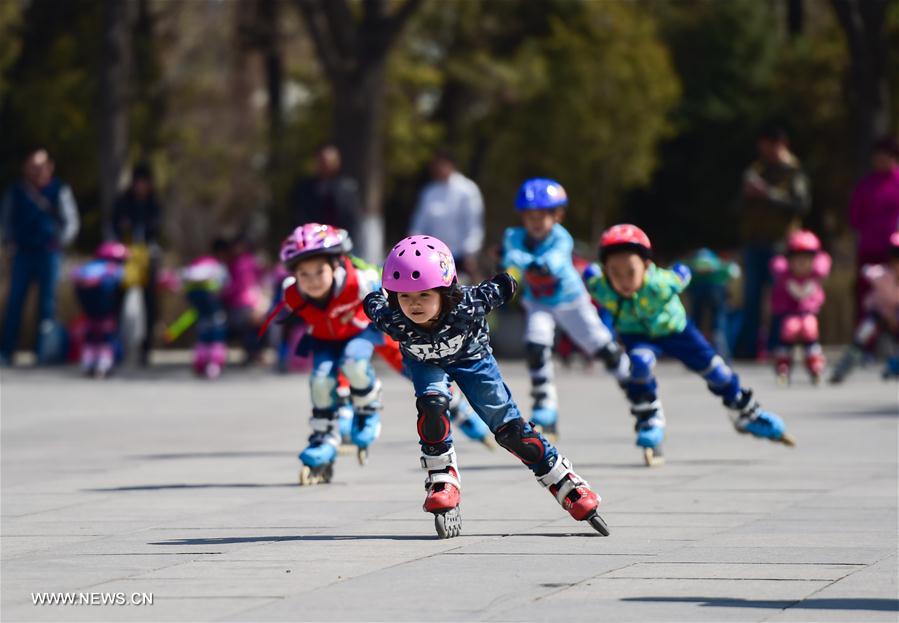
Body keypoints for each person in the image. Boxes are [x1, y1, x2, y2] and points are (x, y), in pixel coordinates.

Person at [363, 235, 609, 539]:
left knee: (512, 433)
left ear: (445, 290)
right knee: (432, 406)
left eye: (425, 295)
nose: (414, 305)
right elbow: (372, 302)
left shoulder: (467, 304)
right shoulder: (393, 318)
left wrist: (511, 272)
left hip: (474, 361)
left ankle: (566, 482)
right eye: (405, 297)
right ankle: (442, 478)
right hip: (426, 365)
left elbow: (504, 286)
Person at [586, 224, 795, 467]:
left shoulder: (661, 283)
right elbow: (588, 275)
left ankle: (744, 410)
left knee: (717, 371)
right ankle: (648, 416)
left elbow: (681, 274)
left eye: (630, 272)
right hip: (638, 336)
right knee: (640, 364)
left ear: (645, 265)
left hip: (677, 331)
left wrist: (684, 270)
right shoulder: (603, 288)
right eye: (615, 273)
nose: (623, 281)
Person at [500, 178, 629, 439]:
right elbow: (510, 257)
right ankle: (544, 402)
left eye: (542, 216)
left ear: (557, 215)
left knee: (601, 347)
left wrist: (530, 263)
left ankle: (634, 381)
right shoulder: (513, 236)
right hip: (539, 302)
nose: (535, 222)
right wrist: (520, 263)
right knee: (536, 345)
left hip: (571, 301)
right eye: (530, 216)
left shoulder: (561, 238)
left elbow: (553, 262)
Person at [267, 224, 385, 482]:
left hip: (358, 333)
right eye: (303, 274)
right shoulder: (292, 293)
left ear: (335, 265)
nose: (312, 281)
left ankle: (367, 406)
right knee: (320, 381)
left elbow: (390, 297)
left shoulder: (361, 281)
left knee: (354, 363)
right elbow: (274, 320)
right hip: (323, 340)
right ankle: (324, 436)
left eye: (319, 271)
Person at [734, 126, 811, 360]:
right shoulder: (757, 169)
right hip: (754, 242)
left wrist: (768, 193)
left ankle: (780, 346)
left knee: (781, 299)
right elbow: (737, 207)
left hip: (780, 244)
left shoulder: (793, 172)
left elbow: (801, 205)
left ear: (780, 144)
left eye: (768, 146)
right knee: (751, 297)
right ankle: (748, 349)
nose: (764, 151)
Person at [0, 149, 79, 364]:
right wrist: (8, 244)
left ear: (49, 167)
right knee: (15, 303)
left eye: (40, 166)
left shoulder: (59, 190)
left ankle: (45, 353)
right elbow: (6, 221)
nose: (36, 171)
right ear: (25, 168)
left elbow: (71, 222)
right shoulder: (16, 191)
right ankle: (6, 351)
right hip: (23, 253)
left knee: (47, 306)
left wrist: (60, 242)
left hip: (49, 254)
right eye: (32, 166)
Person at [831, 231, 899, 383]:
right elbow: (866, 270)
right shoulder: (882, 275)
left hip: (896, 317)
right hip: (878, 314)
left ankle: (894, 365)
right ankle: (844, 367)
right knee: (864, 332)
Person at [111, 163, 163, 364]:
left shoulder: (154, 204)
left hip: (147, 256)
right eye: (138, 182)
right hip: (124, 256)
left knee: (150, 302)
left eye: (145, 182)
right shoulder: (123, 202)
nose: (141, 186)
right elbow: (115, 226)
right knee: (117, 299)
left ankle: (146, 347)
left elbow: (157, 230)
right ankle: (115, 344)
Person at [408, 151, 484, 280]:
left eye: (442, 165)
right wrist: (413, 246)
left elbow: (473, 224)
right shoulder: (429, 191)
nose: (438, 169)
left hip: (460, 257)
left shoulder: (468, 190)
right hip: (431, 257)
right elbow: (419, 224)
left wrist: (470, 252)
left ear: (451, 165)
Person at [768, 230, 831, 384]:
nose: (802, 263)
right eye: (798, 259)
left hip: (807, 314)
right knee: (789, 329)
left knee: (810, 328)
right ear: (790, 260)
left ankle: (815, 363)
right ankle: (783, 365)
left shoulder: (813, 278)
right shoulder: (785, 277)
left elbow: (825, 261)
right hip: (789, 314)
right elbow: (775, 265)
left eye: (807, 259)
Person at [848, 136, 899, 323]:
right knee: (865, 295)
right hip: (869, 250)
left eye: (884, 156)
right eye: (876, 156)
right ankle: (864, 342)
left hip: (894, 253)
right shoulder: (866, 184)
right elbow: (854, 216)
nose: (879, 160)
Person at [165, 252, 230, 379]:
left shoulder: (195, 297)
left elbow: (187, 318)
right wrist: (172, 332)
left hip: (205, 322)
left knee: (205, 340)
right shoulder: (214, 302)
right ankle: (212, 363)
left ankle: (203, 363)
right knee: (215, 341)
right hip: (214, 321)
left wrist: (172, 332)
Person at [71, 242, 131, 378]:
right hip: (104, 311)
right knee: (105, 338)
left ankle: (89, 363)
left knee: (91, 337)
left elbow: (76, 278)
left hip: (90, 312)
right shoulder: (113, 269)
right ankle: (102, 364)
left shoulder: (88, 268)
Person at [290, 144, 362, 244]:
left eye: (328, 161)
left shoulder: (346, 187)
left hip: (340, 239)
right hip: (312, 240)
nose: (325, 165)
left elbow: (351, 218)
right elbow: (301, 215)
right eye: (321, 161)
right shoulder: (306, 187)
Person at [683, 248, 740, 360]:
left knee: (695, 323)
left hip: (697, 287)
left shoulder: (690, 264)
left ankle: (695, 356)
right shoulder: (721, 264)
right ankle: (722, 356)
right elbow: (735, 272)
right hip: (716, 287)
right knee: (719, 324)